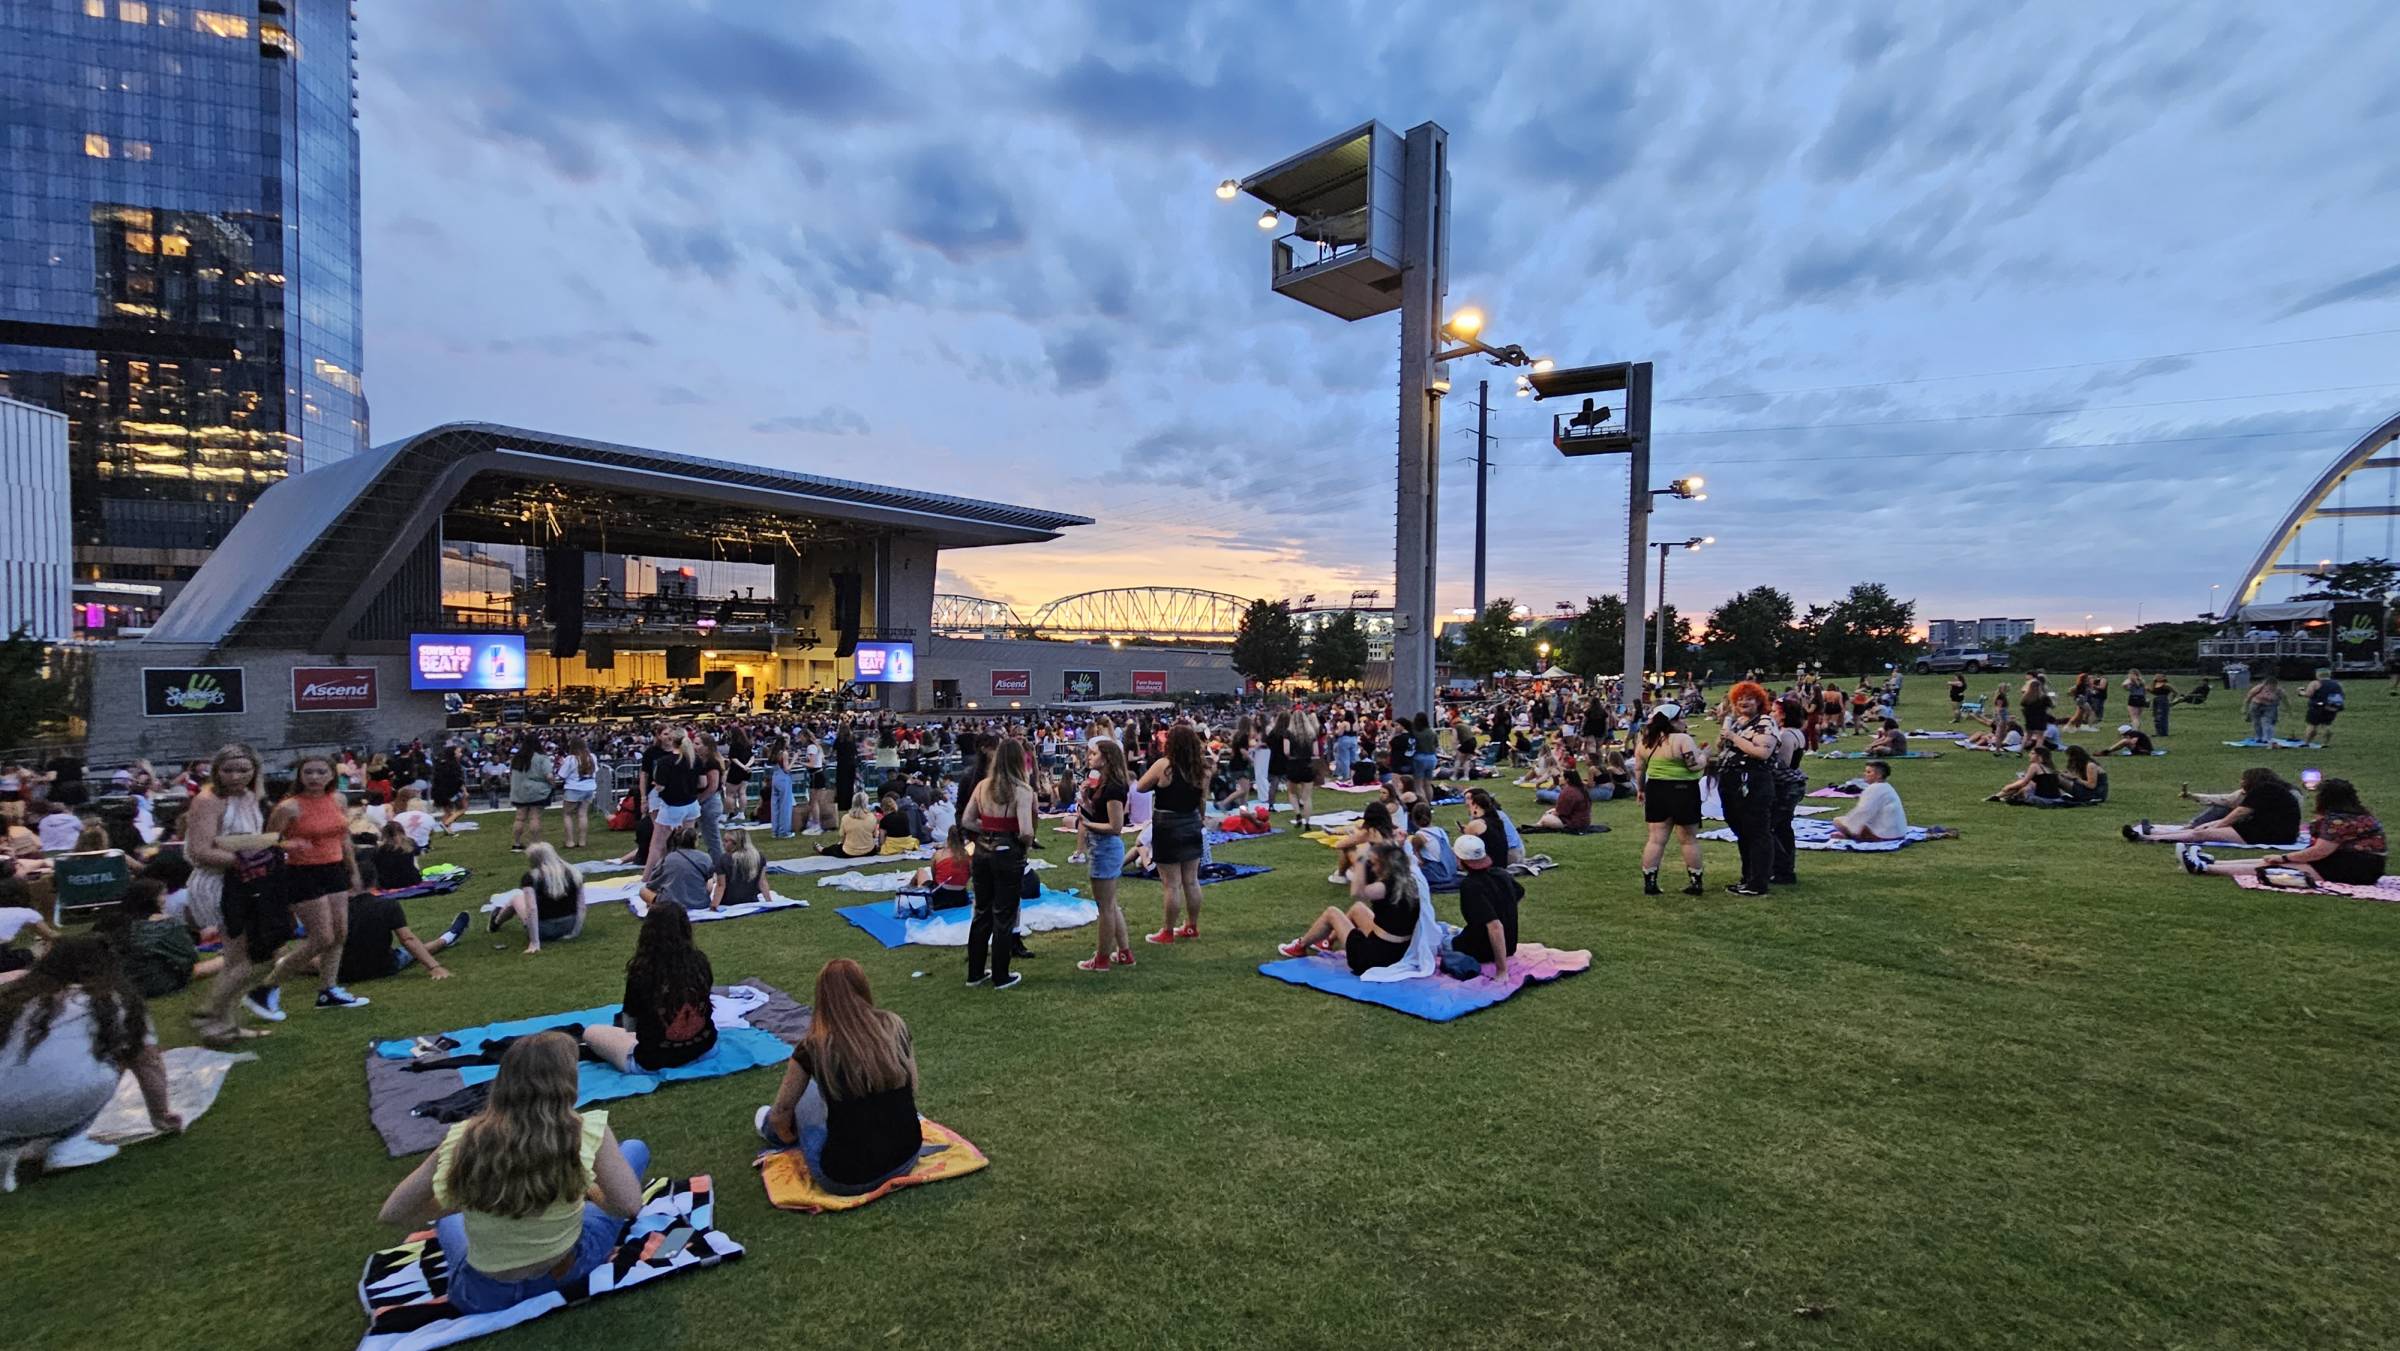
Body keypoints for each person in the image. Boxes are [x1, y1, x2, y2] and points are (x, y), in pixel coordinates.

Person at [376, 1033, 649, 1314]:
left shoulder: (464, 1138)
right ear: (567, 1082)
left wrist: (467, 1201)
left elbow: (394, 1213)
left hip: (480, 1294)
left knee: (451, 1222)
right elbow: (627, 1205)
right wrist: (589, 1190)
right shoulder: (586, 1131)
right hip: (564, 1273)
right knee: (635, 1150)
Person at [0, 937, 181, 1192]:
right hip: (61, 1101)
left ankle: (7, 1148)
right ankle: (68, 1143)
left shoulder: (15, 1001)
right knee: (113, 1060)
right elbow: (146, 1062)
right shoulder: (113, 1003)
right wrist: (160, 1114)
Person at [755, 958, 921, 1193]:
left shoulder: (814, 1047)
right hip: (906, 1157)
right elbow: (912, 1086)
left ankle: (767, 1130)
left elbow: (782, 1113)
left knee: (803, 1096)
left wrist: (787, 1136)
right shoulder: (894, 1025)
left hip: (845, 1176)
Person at [262, 754, 370, 1011]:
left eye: (321, 772)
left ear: (332, 774)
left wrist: (353, 870)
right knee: (322, 937)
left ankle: (328, 990)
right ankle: (267, 987)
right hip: (301, 871)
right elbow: (267, 841)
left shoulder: (338, 800)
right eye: (308, 772)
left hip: (333, 869)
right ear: (299, 775)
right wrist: (289, 843)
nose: (314, 777)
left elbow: (343, 837)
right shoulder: (289, 807)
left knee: (340, 933)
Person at [583, 902, 718, 1072]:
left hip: (653, 1060)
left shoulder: (643, 971)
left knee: (591, 1032)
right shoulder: (700, 962)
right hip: (705, 1049)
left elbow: (629, 1027)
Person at [2181, 778, 2384, 885]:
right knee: (2271, 861)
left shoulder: (2339, 820)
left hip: (2353, 868)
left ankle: (2206, 868)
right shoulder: (2361, 816)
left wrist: (2284, 858)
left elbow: (2319, 852)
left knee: (2276, 867)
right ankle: (2211, 862)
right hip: (2360, 864)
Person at [1277, 841, 1423, 974]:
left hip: (1375, 958)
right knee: (1358, 908)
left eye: (1375, 864)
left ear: (1385, 866)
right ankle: (1327, 941)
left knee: (1332, 913)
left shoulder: (1384, 887)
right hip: (1401, 952)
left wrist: (1359, 860)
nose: (1373, 868)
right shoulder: (1412, 882)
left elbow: (1356, 891)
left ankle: (1299, 946)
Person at [963, 736, 1036, 991]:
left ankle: (974, 972)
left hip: (982, 849)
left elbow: (967, 820)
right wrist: (1021, 844)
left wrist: (987, 829)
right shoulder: (1022, 791)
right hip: (1008, 852)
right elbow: (1027, 831)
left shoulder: (983, 786)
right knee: (1003, 914)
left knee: (982, 911)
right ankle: (1001, 974)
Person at [1137, 725, 1210, 946]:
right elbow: (1203, 800)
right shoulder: (1201, 769)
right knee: (1191, 880)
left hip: (1167, 824)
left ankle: (1168, 931)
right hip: (1192, 822)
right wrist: (1200, 820)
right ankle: (1191, 926)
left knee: (1171, 884)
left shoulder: (1164, 765)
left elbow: (1141, 787)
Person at [1713, 681, 1779, 896]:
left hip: (1753, 781)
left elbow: (1761, 753)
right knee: (1741, 830)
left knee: (1757, 831)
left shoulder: (1765, 722)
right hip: (1730, 781)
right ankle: (1748, 875)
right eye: (1740, 699)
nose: (1744, 702)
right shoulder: (1738, 722)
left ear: (1759, 701)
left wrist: (1734, 737)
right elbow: (1723, 747)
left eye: (1749, 698)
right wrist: (1724, 738)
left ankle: (1758, 881)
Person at [2128, 767, 2304, 847]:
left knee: (2201, 833)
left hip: (2271, 834)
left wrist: (2217, 825)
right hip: (2265, 829)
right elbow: (2232, 804)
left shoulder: (2264, 790)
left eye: (2244, 779)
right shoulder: (2274, 790)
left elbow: (2239, 812)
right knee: (2204, 828)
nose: (2241, 782)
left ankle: (2151, 838)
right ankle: (2155, 834)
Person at [1634, 704, 1706, 896]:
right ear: (1672, 721)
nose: (1684, 722)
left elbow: (1639, 769)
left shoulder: (1645, 741)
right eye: (1681, 718)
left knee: (1656, 839)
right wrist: (1704, 758)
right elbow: (1692, 766)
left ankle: (1650, 882)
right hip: (1684, 790)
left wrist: (1640, 789)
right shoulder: (1683, 739)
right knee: (1688, 840)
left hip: (1657, 789)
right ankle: (1695, 882)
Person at [104, 879, 220, 998]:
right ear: (150, 899)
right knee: (220, 961)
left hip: (118, 980)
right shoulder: (164, 923)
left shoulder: (111, 921)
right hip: (157, 982)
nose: (165, 899)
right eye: (162, 895)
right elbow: (189, 959)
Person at [1075, 738, 1133, 973]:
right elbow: (1099, 815)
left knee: (1105, 907)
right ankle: (1124, 952)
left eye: (1094, 754)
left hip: (1106, 847)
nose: (1089, 757)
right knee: (1110, 904)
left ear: (1107, 757)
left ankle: (1101, 958)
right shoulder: (1104, 784)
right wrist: (1087, 802)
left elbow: (1115, 826)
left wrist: (1086, 824)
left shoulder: (1113, 788)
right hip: (1103, 846)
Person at [340, 887, 468, 985]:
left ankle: (449, 937)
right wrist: (435, 967)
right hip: (384, 966)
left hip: (343, 971)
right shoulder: (386, 905)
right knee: (414, 951)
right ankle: (448, 937)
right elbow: (407, 940)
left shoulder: (333, 909)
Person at [492, 840, 588, 952]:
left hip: (543, 930)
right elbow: (581, 906)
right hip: (568, 926)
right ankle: (496, 920)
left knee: (516, 899)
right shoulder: (574, 873)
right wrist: (575, 932)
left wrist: (534, 942)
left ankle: (496, 921)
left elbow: (532, 909)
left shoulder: (532, 877)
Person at [1448, 834, 1523, 977]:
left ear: (1459, 859)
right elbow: (1520, 893)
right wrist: (1506, 912)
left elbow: (1495, 927)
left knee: (1443, 942)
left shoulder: (1470, 885)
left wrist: (1502, 971)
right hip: (1510, 945)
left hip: (1482, 950)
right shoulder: (1501, 874)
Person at [1768, 698, 1809, 887]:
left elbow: (1781, 765)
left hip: (1785, 787)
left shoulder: (1785, 736)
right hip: (1793, 785)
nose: (1771, 714)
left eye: (1774, 711)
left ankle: (1781, 868)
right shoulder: (1798, 733)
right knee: (1784, 828)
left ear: (1783, 715)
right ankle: (1786, 868)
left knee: (1770, 828)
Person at [640, 824, 715, 915]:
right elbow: (710, 881)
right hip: (699, 903)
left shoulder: (667, 858)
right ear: (695, 841)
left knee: (643, 891)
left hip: (670, 904)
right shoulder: (705, 858)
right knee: (710, 881)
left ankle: (657, 905)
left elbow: (652, 882)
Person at [1830, 760, 1909, 842]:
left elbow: (1863, 811)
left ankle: (1852, 837)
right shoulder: (1887, 787)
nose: (1865, 774)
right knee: (1850, 822)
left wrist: (1850, 828)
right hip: (1899, 833)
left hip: (1884, 835)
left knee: (1838, 821)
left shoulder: (1874, 789)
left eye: (1868, 772)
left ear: (1879, 775)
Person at [906, 826, 972, 910]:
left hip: (940, 898)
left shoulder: (939, 854)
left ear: (948, 838)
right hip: (961, 898)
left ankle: (909, 893)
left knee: (920, 871)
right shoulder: (968, 856)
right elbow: (972, 875)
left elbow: (935, 878)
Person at [507, 739, 553, 852]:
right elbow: (549, 775)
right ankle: (536, 844)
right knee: (534, 817)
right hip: (537, 791)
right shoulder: (542, 758)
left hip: (519, 792)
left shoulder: (516, 758)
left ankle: (516, 844)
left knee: (519, 818)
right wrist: (553, 785)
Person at [713, 827, 771, 912]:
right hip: (751, 900)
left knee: (711, 882)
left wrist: (714, 905)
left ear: (736, 843)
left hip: (729, 902)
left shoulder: (724, 859)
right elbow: (762, 883)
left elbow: (721, 886)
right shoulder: (759, 857)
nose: (723, 844)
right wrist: (769, 902)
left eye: (726, 841)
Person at [558, 738, 599, 851]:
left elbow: (562, 775)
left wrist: (562, 764)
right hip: (589, 788)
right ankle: (582, 841)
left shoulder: (570, 759)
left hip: (574, 788)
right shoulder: (592, 757)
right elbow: (596, 771)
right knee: (582, 814)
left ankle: (570, 841)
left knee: (567, 814)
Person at [1990, 746, 2066, 805]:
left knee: (2025, 786)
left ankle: (1997, 796)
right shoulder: (2050, 767)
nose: (2029, 755)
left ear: (2039, 756)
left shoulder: (2035, 766)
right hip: (2056, 799)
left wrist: (2009, 786)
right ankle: (1999, 797)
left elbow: (2024, 782)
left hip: (2042, 799)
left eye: (2032, 753)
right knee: (2029, 784)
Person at [819, 793, 882, 859]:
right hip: (869, 851)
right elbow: (875, 835)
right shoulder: (872, 817)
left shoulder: (845, 818)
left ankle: (822, 849)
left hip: (849, 852)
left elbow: (843, 836)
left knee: (834, 848)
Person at [1531, 768, 1593, 833]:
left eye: (1561, 777)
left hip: (1573, 824)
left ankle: (1538, 825)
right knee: (1550, 812)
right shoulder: (1582, 788)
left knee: (1546, 818)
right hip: (1585, 822)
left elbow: (1560, 812)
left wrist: (1550, 814)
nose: (1560, 778)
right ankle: (1538, 824)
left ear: (1567, 780)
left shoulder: (1568, 791)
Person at [372, 821, 423, 890]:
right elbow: (418, 852)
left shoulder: (380, 849)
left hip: (389, 884)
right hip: (412, 880)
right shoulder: (410, 843)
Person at [2300, 668, 2344, 747]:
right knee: (2326, 725)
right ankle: (2326, 743)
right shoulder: (2338, 683)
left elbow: (2308, 694)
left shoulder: (2315, 683)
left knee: (2312, 725)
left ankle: (2306, 743)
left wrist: (2301, 692)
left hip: (2317, 707)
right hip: (2331, 708)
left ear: (2318, 675)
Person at [2244, 674, 2285, 745]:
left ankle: (2266, 738)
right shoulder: (2258, 688)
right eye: (2270, 686)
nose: (2272, 688)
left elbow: (2284, 699)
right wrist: (2245, 708)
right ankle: (2258, 737)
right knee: (2256, 722)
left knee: (2267, 722)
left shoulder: (2279, 690)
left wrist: (2288, 709)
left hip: (2270, 707)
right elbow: (2248, 697)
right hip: (2256, 705)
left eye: (2274, 686)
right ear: (2266, 685)